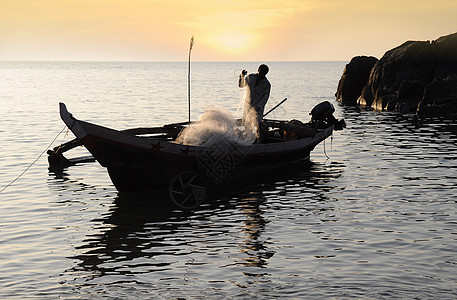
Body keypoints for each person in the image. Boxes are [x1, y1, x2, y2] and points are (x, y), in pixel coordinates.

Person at [238, 64, 271, 138]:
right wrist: (242, 76)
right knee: (246, 123)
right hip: (248, 105)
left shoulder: (267, 84)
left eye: (264, 73)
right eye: (261, 71)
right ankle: (248, 138)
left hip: (258, 108)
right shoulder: (251, 77)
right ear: (258, 70)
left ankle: (258, 139)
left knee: (257, 125)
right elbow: (241, 85)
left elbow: (265, 97)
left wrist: (259, 106)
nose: (262, 74)